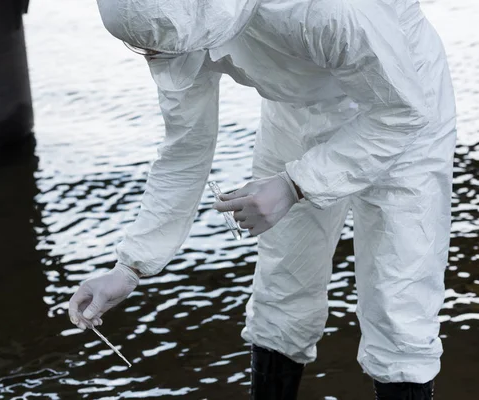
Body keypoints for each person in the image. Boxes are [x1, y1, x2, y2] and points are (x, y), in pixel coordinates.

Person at [68, 1, 457, 399]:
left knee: (398, 302)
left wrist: (295, 184)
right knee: (282, 286)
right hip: (298, 108)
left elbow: (402, 110)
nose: (151, 55)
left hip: (401, 102)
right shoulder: (172, 22)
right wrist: (130, 266)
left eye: (156, 47)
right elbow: (185, 149)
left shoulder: (320, 11)